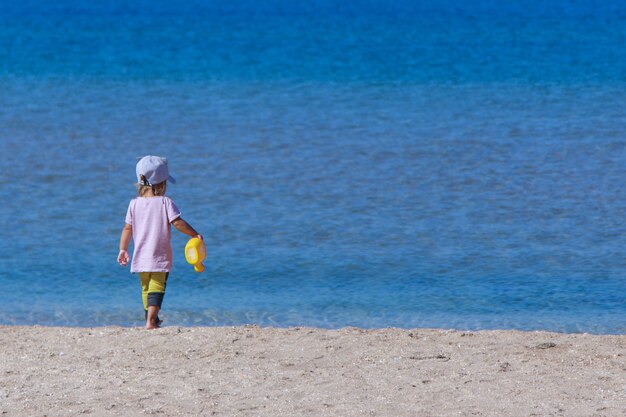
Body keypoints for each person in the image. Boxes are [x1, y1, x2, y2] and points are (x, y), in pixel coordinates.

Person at [117, 156, 202, 330]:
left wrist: (123, 249)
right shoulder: (165, 203)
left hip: (140, 255)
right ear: (162, 183)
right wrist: (194, 234)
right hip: (158, 255)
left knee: (145, 288)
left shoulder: (133, 204)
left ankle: (151, 319)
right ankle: (151, 321)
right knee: (157, 286)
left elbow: (127, 229)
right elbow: (177, 223)